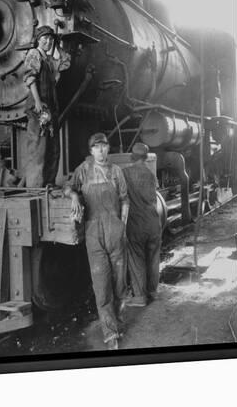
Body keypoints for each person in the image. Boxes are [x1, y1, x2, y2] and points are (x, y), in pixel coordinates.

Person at [64, 133, 129, 350]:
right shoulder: (83, 170)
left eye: (104, 146)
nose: (101, 151)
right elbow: (68, 187)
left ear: (108, 149)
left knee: (119, 285)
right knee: (102, 287)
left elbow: (125, 199)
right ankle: (111, 334)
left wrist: (123, 226)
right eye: (96, 147)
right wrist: (74, 196)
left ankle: (117, 320)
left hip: (115, 232)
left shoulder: (116, 171)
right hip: (94, 234)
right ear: (91, 151)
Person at [23, 25, 70, 187]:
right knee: (38, 147)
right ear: (38, 40)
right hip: (39, 108)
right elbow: (30, 78)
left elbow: (65, 63)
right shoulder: (34, 54)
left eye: (50, 39)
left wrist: (57, 45)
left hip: (51, 109)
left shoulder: (49, 61)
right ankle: (35, 186)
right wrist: (37, 101)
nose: (48, 42)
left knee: (53, 147)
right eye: (45, 39)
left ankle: (49, 182)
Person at [123, 143, 161, 307]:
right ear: (146, 157)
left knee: (137, 258)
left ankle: (139, 297)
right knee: (153, 258)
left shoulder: (125, 173)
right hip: (154, 222)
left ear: (132, 157)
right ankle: (152, 292)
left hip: (136, 223)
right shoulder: (151, 174)